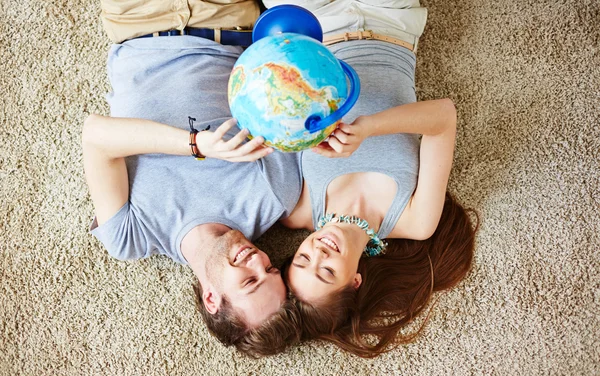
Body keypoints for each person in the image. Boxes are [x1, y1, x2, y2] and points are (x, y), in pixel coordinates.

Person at [83, 0, 302, 356]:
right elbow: (284, 89)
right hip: (225, 22)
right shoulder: (274, 196)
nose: (258, 260)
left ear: (212, 298)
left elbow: (94, 136)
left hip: (137, 23)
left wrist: (195, 144)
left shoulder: (131, 237)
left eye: (249, 280)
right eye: (271, 269)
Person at [263, 1, 478, 357]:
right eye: (327, 272)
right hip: (392, 24)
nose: (318, 252)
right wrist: (370, 128)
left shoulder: (297, 210)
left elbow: (277, 120)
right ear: (355, 281)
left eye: (302, 260)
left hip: (318, 32)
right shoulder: (416, 221)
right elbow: (443, 117)